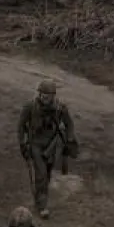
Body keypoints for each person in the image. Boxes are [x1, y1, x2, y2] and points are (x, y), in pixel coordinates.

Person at [17, 78, 78, 218]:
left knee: (47, 173)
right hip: (35, 145)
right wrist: (22, 144)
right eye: (43, 94)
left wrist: (69, 139)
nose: (45, 97)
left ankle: (40, 195)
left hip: (52, 146)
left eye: (48, 95)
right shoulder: (30, 107)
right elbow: (20, 126)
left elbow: (69, 124)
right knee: (41, 174)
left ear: (53, 95)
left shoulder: (60, 108)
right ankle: (42, 205)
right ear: (39, 93)